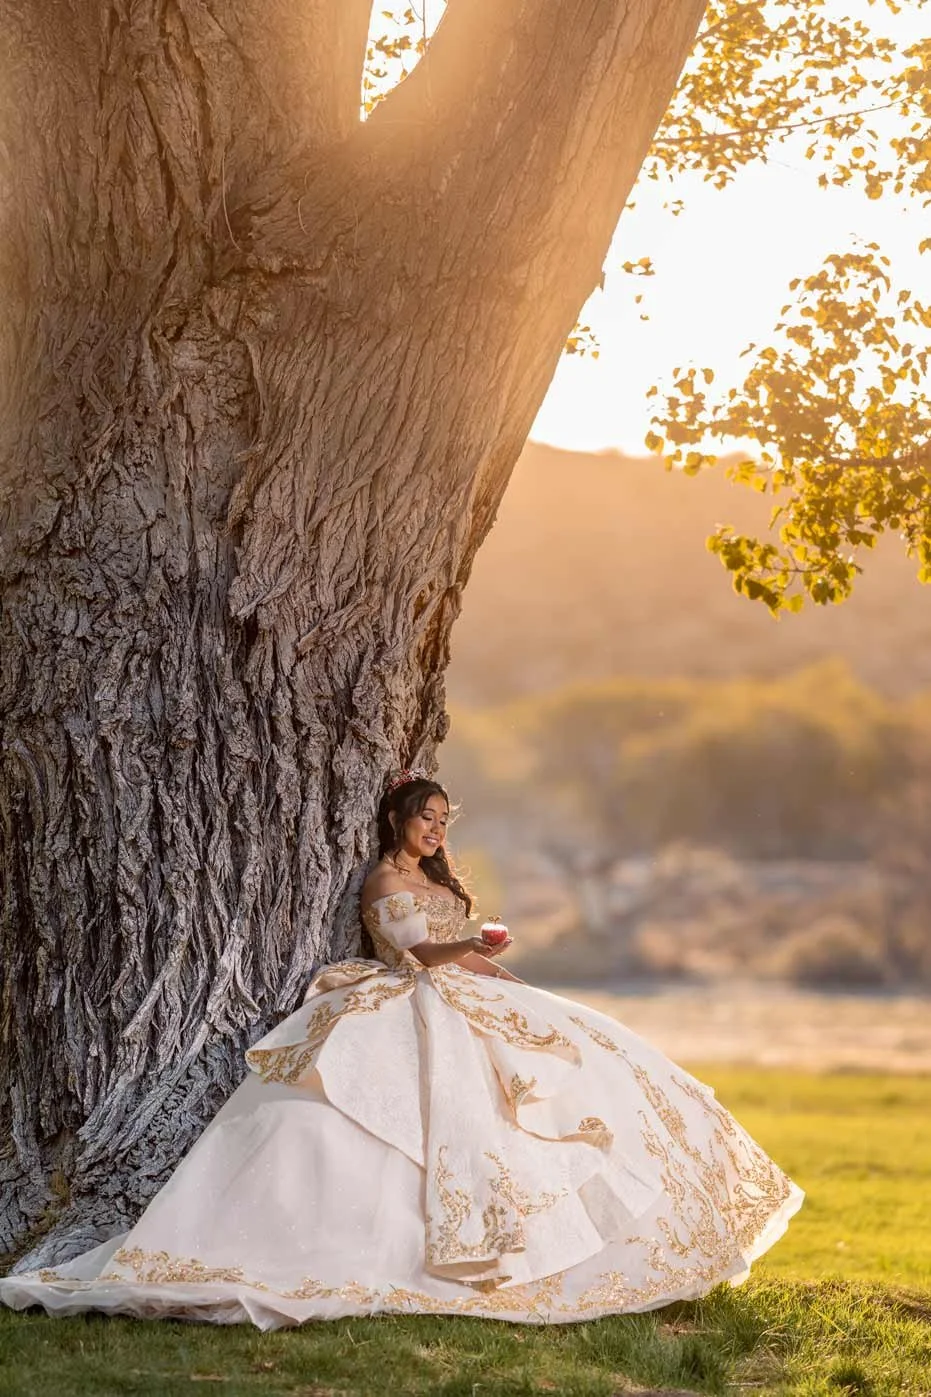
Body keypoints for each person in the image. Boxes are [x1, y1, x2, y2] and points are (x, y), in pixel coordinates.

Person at [0, 772, 802, 1328]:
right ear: (397, 820)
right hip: (414, 1002)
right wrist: (471, 944)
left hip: (467, 993)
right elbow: (418, 957)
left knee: (584, 1081)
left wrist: (503, 967)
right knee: (415, 1126)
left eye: (445, 820)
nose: (436, 829)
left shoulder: (435, 877)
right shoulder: (386, 881)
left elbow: (463, 952)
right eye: (427, 817)